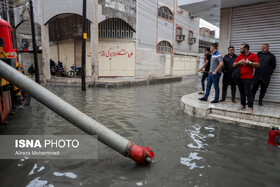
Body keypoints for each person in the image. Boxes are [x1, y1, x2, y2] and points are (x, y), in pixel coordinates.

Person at [233, 43, 259, 113]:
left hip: (248, 77)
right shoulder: (240, 56)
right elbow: (234, 65)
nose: (240, 49)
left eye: (241, 48)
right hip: (239, 77)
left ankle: (250, 107)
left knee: (248, 92)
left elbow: (257, 64)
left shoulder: (253, 55)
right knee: (241, 92)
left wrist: (249, 62)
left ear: (246, 49)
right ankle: (243, 105)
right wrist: (239, 62)